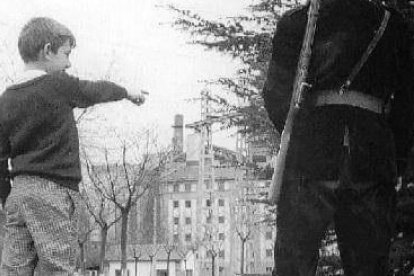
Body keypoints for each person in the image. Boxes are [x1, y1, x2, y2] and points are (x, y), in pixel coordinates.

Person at [262, 0, 414, 275]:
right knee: (370, 268)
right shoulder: (392, 25)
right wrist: (395, 158)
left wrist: (304, 137)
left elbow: (275, 96)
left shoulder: (296, 22)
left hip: (310, 158)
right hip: (370, 157)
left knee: (292, 267)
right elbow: (406, 106)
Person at [0, 17, 146, 275]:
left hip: (18, 193)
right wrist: (127, 91)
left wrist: (5, 197)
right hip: (53, 191)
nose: (69, 63)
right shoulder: (58, 84)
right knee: (57, 266)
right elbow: (93, 91)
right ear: (47, 51)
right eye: (66, 54)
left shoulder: (6, 99)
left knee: (15, 267)